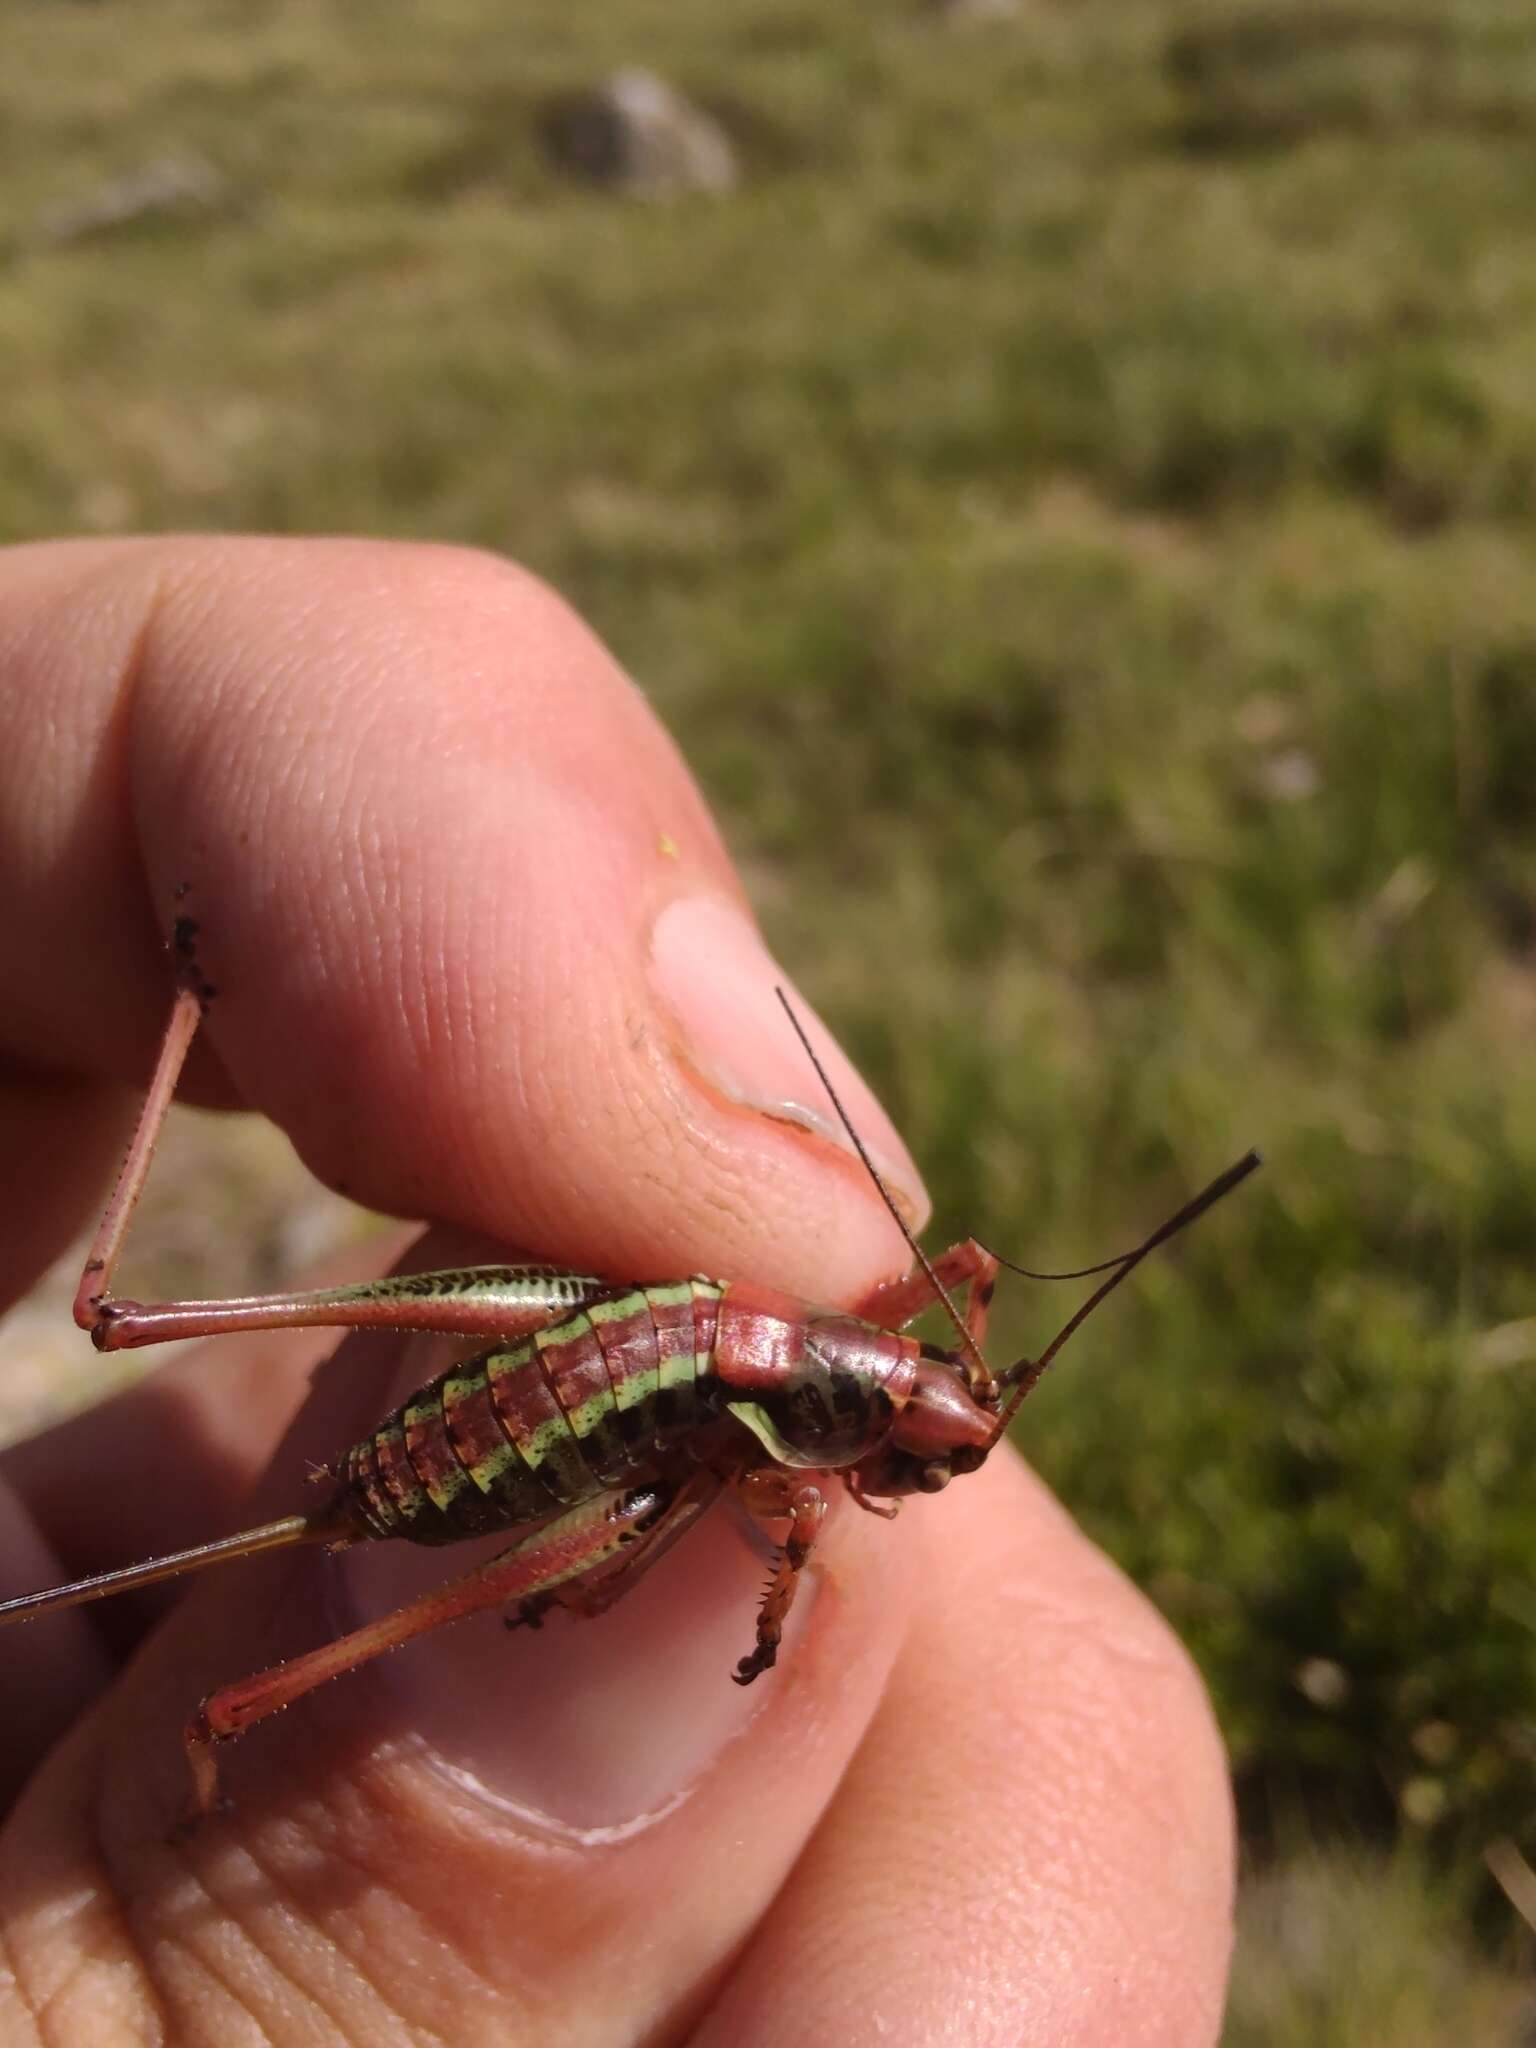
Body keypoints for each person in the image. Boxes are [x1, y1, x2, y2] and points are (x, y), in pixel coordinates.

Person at [0, 538, 1233, 2044]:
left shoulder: (822, 1375)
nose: (944, 1421)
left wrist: (905, 1395)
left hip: (637, 1359)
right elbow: (646, 1556)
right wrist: (744, 1595)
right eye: (940, 1417)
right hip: (519, 1439)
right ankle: (215, 1776)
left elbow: (951, 1280)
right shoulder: (781, 1472)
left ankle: (193, 1008)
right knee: (527, 1538)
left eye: (941, 1417)